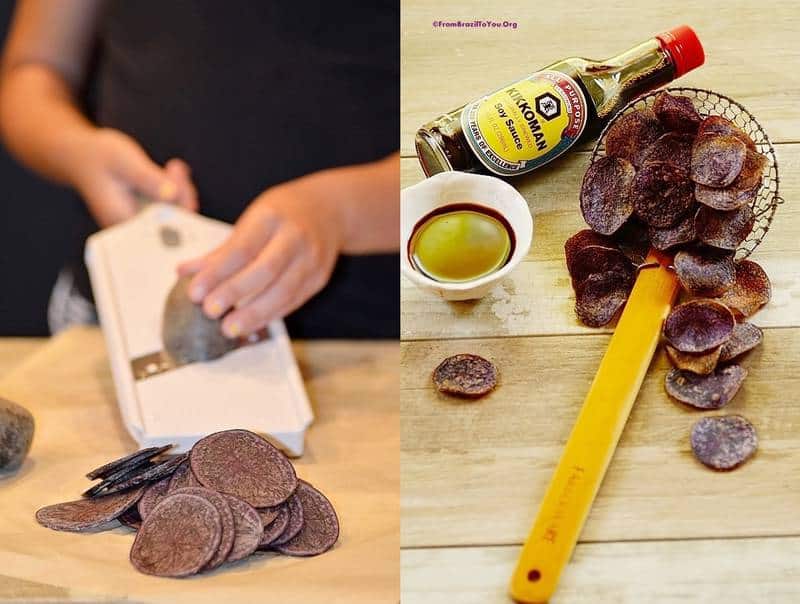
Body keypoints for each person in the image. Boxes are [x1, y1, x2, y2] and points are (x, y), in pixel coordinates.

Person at [0, 0, 399, 339]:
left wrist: (339, 212)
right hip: (119, 312)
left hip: (367, 342)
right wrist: (78, 151)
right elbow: (34, 66)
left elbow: (460, 139)